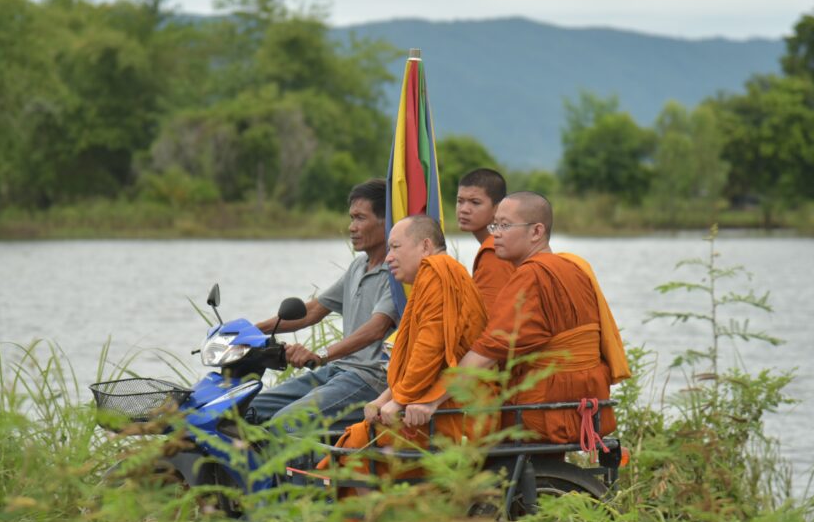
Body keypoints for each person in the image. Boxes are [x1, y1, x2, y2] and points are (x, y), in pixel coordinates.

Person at [405, 192, 631, 444]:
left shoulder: (532, 276)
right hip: (586, 395)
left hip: (545, 402)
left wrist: (431, 400)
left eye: (504, 225)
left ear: (536, 231)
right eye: (495, 225)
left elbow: (487, 352)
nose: (496, 233)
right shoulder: (574, 267)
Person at [321, 214, 488, 476]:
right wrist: (385, 397)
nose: (388, 258)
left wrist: (399, 401)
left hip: (449, 408)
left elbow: (429, 350)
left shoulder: (437, 272)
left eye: (396, 247)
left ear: (424, 246)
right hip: (431, 401)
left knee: (355, 448)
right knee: (355, 439)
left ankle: (366, 516)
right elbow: (417, 354)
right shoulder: (431, 277)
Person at [249, 179, 398, 428]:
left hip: (368, 379)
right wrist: (253, 331)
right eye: (351, 218)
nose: (351, 227)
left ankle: (287, 467)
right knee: (248, 409)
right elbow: (312, 311)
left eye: (360, 218)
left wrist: (321, 355)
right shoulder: (358, 266)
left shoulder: (396, 273)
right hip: (338, 371)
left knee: (284, 423)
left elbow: (376, 328)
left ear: (386, 223)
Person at [455, 168, 515, 312]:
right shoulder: (502, 241)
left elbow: (489, 317)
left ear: (497, 208)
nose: (464, 209)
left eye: (475, 202)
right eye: (460, 201)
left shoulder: (496, 251)